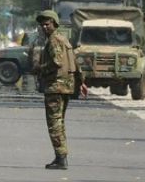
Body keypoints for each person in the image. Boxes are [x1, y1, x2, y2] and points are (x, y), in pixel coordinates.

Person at [36, 10, 88, 170]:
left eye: (47, 24)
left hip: (55, 87)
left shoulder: (54, 40)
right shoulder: (64, 40)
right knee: (59, 122)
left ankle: (61, 158)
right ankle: (61, 156)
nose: (44, 27)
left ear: (55, 23)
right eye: (42, 25)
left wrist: (39, 68)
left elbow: (56, 62)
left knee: (54, 124)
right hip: (66, 87)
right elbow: (75, 63)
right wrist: (81, 82)